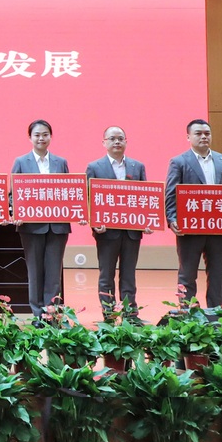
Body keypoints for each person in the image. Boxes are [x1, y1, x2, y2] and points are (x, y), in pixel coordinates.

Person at [165, 118, 222, 308]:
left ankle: (216, 313)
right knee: (187, 274)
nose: (203, 137)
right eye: (198, 133)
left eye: (207, 133)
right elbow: (171, 194)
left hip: (219, 228)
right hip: (190, 229)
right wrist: (172, 219)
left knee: (218, 273)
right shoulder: (179, 162)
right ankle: (188, 312)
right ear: (188, 137)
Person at [10, 119, 71, 319]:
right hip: (31, 227)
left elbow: (70, 192)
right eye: (37, 135)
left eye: (45, 134)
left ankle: (51, 314)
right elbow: (13, 194)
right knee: (35, 272)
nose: (41, 138)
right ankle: (38, 314)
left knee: (54, 273)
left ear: (50, 137)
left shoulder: (60, 162)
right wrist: (15, 213)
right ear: (30, 138)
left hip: (57, 227)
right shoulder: (21, 162)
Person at [85, 126, 148, 320]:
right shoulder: (94, 167)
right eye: (112, 138)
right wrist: (94, 223)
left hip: (131, 231)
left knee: (129, 275)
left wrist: (147, 220)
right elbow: (88, 198)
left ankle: (130, 314)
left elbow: (145, 197)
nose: (117, 142)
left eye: (120, 138)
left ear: (126, 141)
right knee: (107, 275)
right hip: (106, 232)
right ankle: (109, 315)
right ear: (104, 142)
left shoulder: (138, 167)